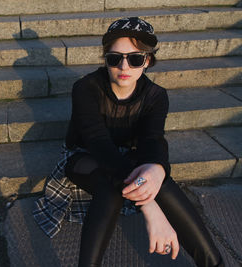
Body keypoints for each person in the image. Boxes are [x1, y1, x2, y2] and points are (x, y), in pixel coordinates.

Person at [33, 17, 224, 267]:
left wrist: (157, 168)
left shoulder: (156, 96)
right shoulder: (86, 88)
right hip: (85, 159)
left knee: (156, 176)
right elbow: (98, 143)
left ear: (148, 61)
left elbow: (152, 140)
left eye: (135, 58)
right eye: (115, 58)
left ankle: (214, 264)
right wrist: (151, 207)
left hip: (130, 160)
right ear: (105, 59)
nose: (124, 66)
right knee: (113, 184)